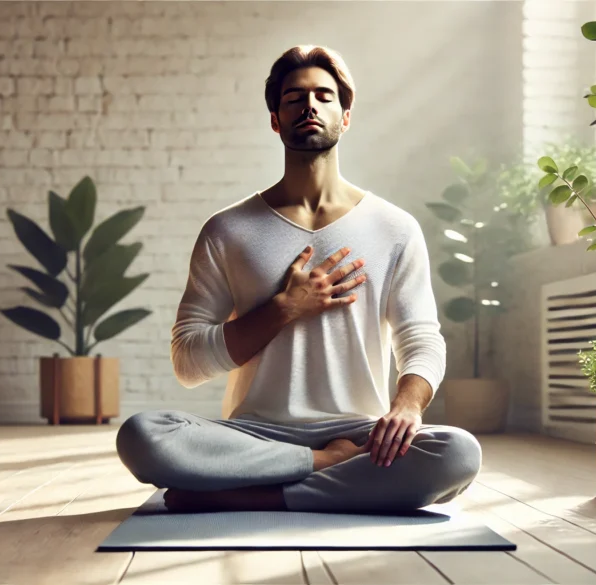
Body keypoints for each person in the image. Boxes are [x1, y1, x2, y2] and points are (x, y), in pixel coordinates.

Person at [116, 45, 482, 514]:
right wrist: (283, 308)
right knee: (143, 437)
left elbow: (421, 339)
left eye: (324, 96)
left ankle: (255, 495)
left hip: (359, 431)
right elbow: (188, 363)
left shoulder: (395, 228)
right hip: (254, 434)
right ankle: (324, 465)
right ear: (275, 119)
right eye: (294, 98)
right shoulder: (227, 230)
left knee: (458, 452)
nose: (309, 105)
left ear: (345, 117)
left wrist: (408, 406)